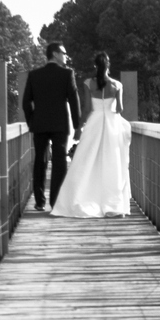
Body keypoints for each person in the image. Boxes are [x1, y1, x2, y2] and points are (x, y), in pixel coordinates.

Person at [51, 51, 132, 218]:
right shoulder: (117, 85)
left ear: (95, 66)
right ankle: (113, 206)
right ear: (108, 65)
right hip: (111, 125)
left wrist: (79, 127)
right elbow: (120, 109)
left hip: (94, 123)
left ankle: (84, 198)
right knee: (112, 162)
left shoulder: (88, 83)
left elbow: (88, 109)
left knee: (86, 161)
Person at [21, 43, 82, 211]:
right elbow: (73, 100)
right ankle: (55, 201)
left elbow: (26, 102)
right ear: (55, 54)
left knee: (40, 161)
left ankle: (40, 201)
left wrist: (31, 121)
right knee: (59, 161)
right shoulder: (67, 74)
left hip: (39, 124)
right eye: (64, 53)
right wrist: (77, 126)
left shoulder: (34, 75)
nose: (66, 56)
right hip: (59, 124)